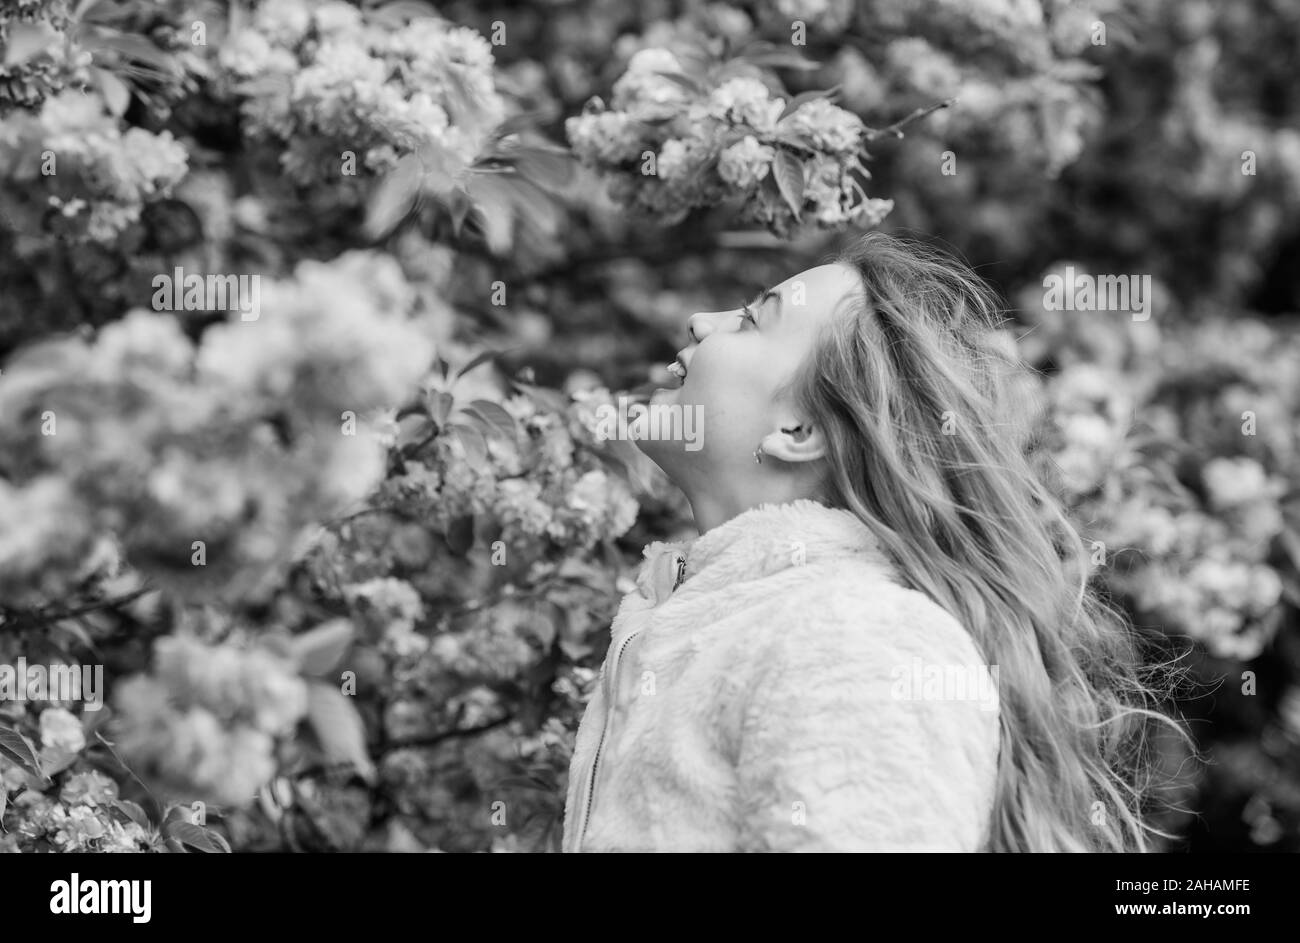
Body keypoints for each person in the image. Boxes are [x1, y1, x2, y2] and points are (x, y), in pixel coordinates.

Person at [561, 231, 1187, 852]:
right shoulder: (738, 618)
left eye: (752, 321)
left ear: (799, 428)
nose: (701, 321)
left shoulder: (857, 634)